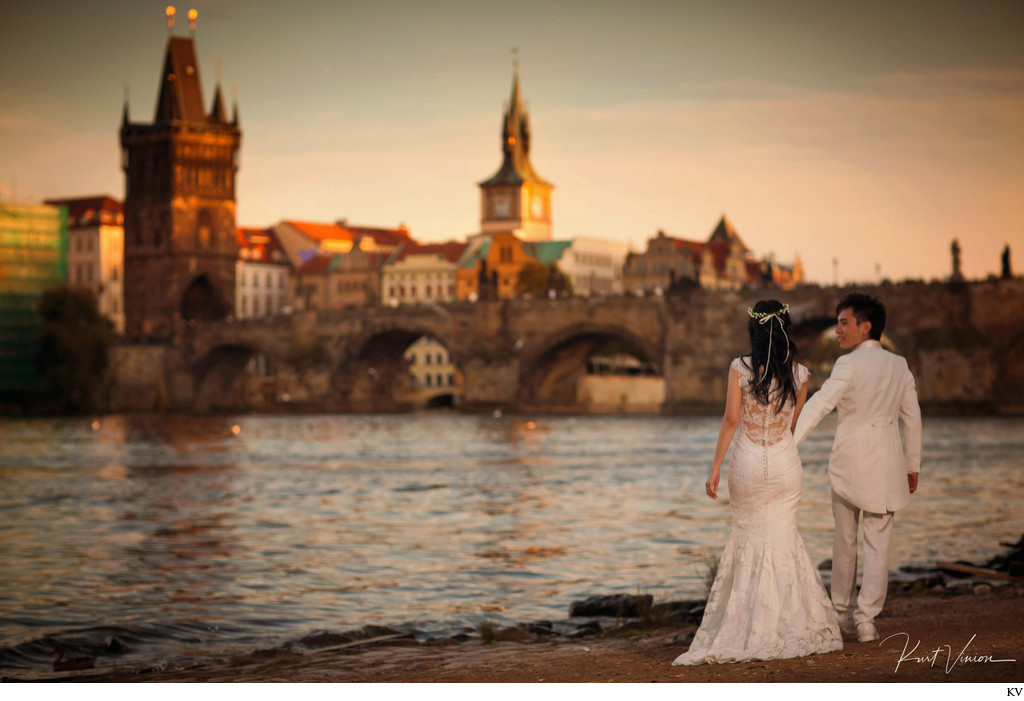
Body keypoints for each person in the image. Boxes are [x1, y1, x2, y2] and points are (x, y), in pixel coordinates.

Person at [673, 300, 842, 665]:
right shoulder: (800, 375)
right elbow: (791, 425)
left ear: (753, 331)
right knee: (783, 537)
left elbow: (731, 420)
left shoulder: (739, 368)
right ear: (785, 332)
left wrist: (715, 467)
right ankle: (791, 622)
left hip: (748, 462)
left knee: (748, 537)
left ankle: (748, 625)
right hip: (784, 463)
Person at [793, 293, 921, 644]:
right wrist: (913, 465)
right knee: (878, 544)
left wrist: (788, 444)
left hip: (849, 462)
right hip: (888, 464)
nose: (837, 330)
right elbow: (912, 418)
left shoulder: (847, 365)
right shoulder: (900, 365)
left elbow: (820, 404)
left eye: (844, 322)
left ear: (866, 327)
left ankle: (842, 615)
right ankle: (867, 621)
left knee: (845, 541)